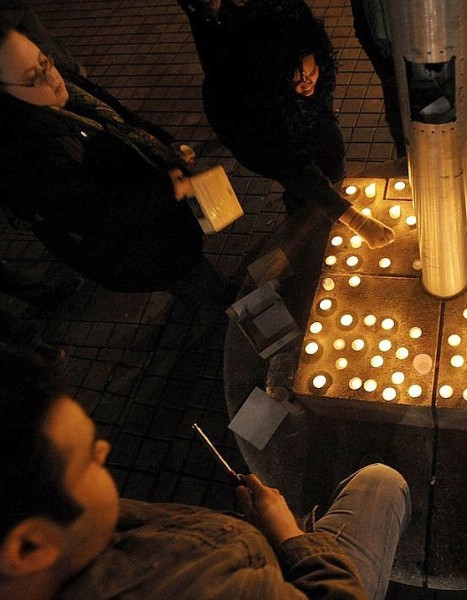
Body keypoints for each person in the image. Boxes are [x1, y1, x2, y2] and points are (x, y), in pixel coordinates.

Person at [0, 346, 411, 599]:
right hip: (306, 573)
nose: (105, 448)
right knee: (382, 482)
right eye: (88, 457)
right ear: (29, 547)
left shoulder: (68, 553)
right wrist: (287, 534)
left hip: (264, 552)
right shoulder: (193, 587)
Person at [0, 25, 224, 301]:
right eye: (33, 77)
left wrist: (165, 144)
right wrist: (164, 191)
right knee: (193, 279)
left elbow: (122, 120)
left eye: (44, 60)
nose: (52, 77)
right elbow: (94, 214)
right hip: (139, 249)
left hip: (160, 222)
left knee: (191, 268)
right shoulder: (27, 154)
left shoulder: (66, 87)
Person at [177, 0, 395, 259]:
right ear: (275, 79)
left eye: (311, 72)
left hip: (285, 106)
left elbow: (318, 99)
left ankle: (330, 203)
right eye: (295, 81)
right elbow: (290, 164)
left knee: (329, 150)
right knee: (302, 189)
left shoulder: (297, 33)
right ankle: (304, 231)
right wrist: (357, 222)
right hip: (256, 130)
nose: (306, 85)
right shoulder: (250, 95)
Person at [350, 0, 467, 158]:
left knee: (446, 136)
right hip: (394, 65)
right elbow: (363, 17)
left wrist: (463, 41)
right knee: (406, 130)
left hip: (447, 60)